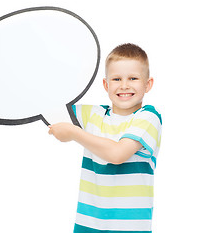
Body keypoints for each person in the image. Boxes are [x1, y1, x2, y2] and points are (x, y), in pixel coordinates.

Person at [48, 43, 162, 232]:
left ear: (147, 84)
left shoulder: (148, 117)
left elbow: (117, 154)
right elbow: (54, 104)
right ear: (106, 84)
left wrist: (74, 133)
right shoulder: (93, 114)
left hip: (129, 228)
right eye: (116, 79)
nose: (124, 85)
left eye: (133, 78)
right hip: (88, 225)